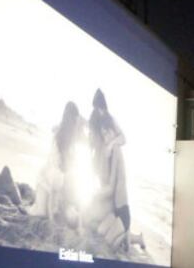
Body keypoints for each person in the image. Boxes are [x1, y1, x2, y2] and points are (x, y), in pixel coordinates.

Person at [88, 89, 139, 250]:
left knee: (111, 240)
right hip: (113, 208)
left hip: (121, 209)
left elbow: (123, 138)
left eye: (100, 107)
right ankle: (134, 238)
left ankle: (128, 235)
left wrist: (111, 144)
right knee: (100, 229)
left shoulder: (115, 145)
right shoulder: (105, 149)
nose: (105, 136)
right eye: (103, 134)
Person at [31, 101, 85, 226]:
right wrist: (51, 220)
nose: (76, 124)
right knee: (40, 213)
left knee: (65, 213)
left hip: (57, 181)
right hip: (46, 181)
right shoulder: (60, 137)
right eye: (75, 120)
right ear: (71, 120)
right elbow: (52, 184)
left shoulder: (70, 137)